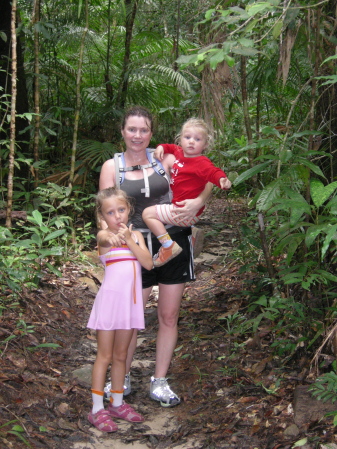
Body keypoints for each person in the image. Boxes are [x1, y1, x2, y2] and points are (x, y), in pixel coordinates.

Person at [99, 106, 212, 407]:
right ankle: (121, 377)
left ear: (151, 132)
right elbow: (105, 213)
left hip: (174, 241)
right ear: (122, 131)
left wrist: (197, 203)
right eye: (132, 129)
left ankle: (160, 381)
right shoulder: (112, 167)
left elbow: (206, 174)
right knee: (131, 317)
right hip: (133, 247)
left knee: (168, 315)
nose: (138, 136)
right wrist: (107, 247)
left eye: (144, 130)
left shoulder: (164, 157)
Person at [87, 187, 153, 432]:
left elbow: (147, 263)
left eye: (121, 210)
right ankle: (96, 408)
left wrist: (129, 239)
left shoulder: (136, 237)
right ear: (103, 216)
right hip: (110, 305)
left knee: (121, 356)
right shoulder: (104, 236)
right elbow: (104, 239)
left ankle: (116, 402)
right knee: (104, 355)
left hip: (129, 305)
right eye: (111, 212)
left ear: (129, 210)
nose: (118, 216)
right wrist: (112, 236)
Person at [142, 118, 232, 267]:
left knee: (147, 214)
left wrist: (222, 179)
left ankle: (168, 246)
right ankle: (192, 234)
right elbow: (169, 147)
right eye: (187, 137)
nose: (191, 142)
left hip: (184, 211)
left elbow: (213, 172)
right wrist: (161, 147)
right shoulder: (179, 152)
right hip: (181, 208)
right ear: (180, 139)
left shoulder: (201, 162)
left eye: (197, 139)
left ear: (205, 145)